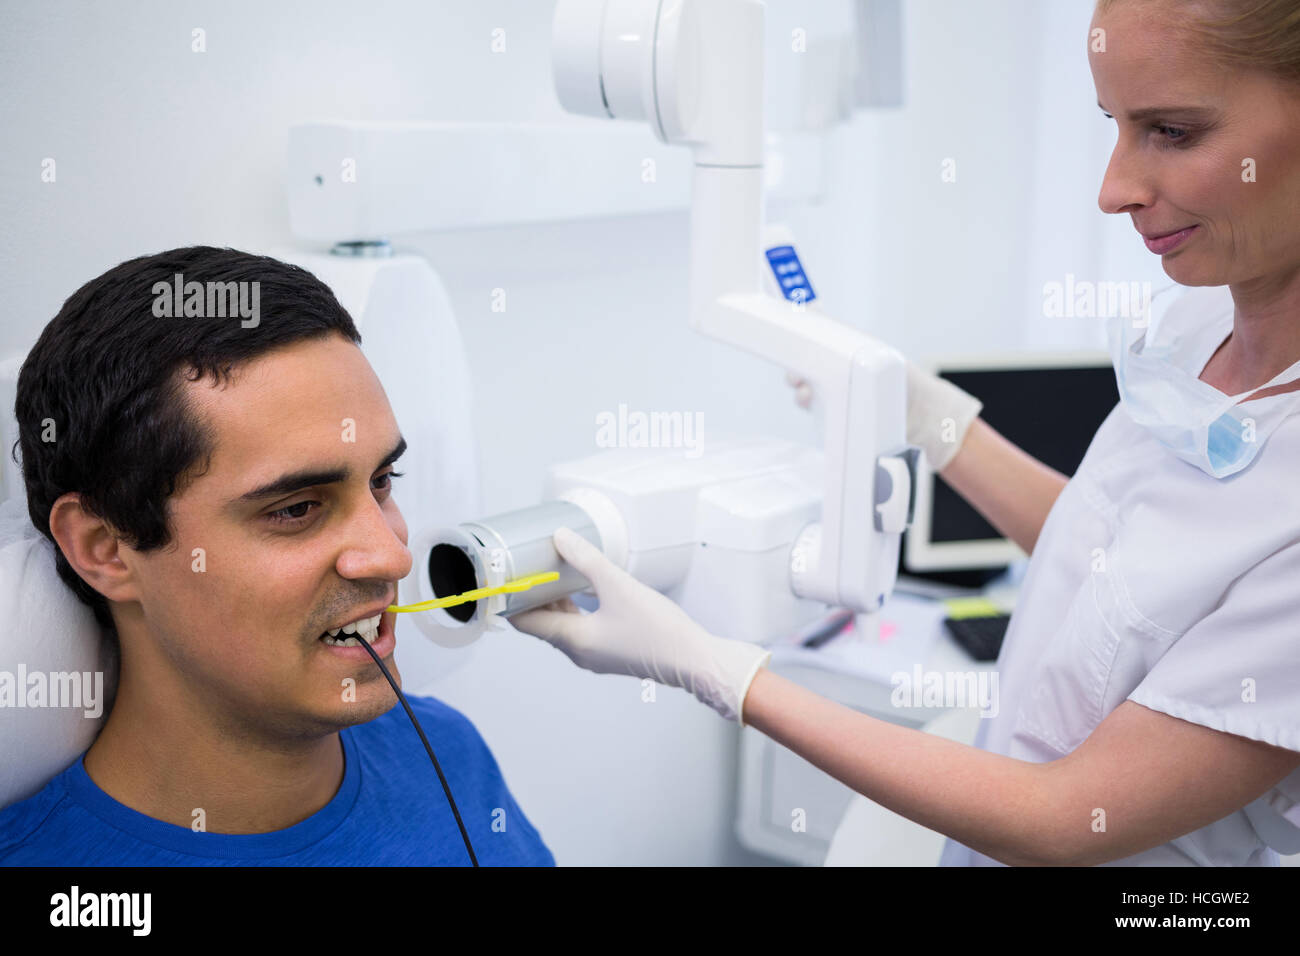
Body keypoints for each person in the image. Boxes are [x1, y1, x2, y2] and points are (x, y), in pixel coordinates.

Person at [512, 0, 1300, 866]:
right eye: (1114, 126)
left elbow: (1068, 818)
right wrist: (924, 417)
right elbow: (1114, 558)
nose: (1113, 190)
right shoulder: (1196, 328)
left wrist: (721, 672)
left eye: (1174, 132)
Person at [0, 246, 554, 866]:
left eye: (381, 481)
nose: (392, 558)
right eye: (296, 509)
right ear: (105, 548)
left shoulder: (449, 753)